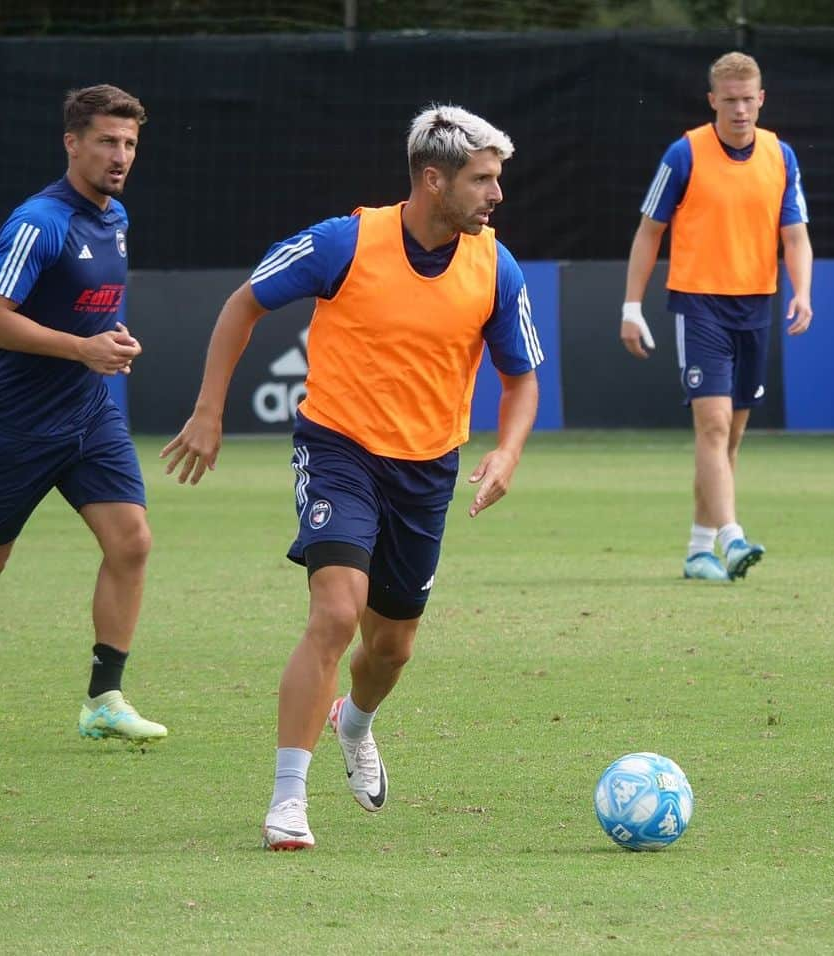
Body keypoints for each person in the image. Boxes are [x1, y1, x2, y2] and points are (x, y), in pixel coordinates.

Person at [161, 104, 543, 850]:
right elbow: (245, 303)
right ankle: (287, 800)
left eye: (497, 179)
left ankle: (355, 722)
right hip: (338, 450)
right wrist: (209, 411)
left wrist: (508, 452)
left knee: (392, 647)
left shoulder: (496, 264)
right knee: (337, 613)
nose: (496, 195)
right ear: (433, 180)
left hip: (429, 468)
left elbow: (522, 377)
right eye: (483, 180)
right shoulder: (344, 241)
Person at [0, 84, 167, 748]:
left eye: (130, 144)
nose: (120, 155)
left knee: (132, 542)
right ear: (73, 143)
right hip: (19, 419)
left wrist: (111, 339)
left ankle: (103, 700)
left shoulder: (115, 218)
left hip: (88, 413)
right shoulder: (39, 221)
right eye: (108, 141)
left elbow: (89, 308)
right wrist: (83, 348)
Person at [619, 52, 813, 581]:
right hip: (699, 303)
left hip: (757, 304)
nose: (741, 109)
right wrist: (632, 307)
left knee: (729, 440)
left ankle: (699, 547)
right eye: (730, 100)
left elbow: (794, 234)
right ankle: (731, 537)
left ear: (762, 99)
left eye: (749, 99)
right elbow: (648, 232)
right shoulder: (684, 154)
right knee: (712, 424)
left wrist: (803, 291)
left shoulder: (781, 156)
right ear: (713, 101)